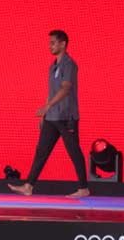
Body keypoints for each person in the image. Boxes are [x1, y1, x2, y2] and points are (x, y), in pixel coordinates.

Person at [8, 29, 89, 198]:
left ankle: (83, 188)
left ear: (63, 44)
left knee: (74, 150)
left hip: (66, 117)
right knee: (41, 151)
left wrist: (48, 106)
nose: (50, 46)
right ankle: (29, 186)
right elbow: (51, 92)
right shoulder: (53, 66)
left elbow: (66, 88)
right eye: (49, 43)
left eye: (53, 43)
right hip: (52, 117)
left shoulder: (69, 64)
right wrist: (46, 112)